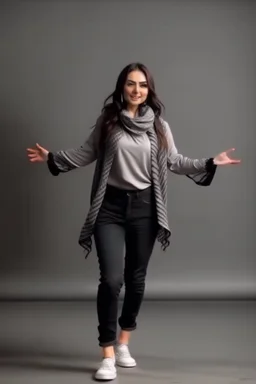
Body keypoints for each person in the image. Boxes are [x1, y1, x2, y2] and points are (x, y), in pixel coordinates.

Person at [26, 62, 241, 381]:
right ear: (121, 87)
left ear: (149, 90)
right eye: (130, 84)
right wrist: (52, 158)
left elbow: (175, 162)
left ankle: (124, 342)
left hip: (146, 208)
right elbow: (87, 153)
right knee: (111, 281)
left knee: (136, 279)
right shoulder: (109, 122)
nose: (136, 90)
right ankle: (107, 353)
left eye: (142, 85)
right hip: (109, 208)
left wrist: (211, 162)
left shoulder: (160, 128)